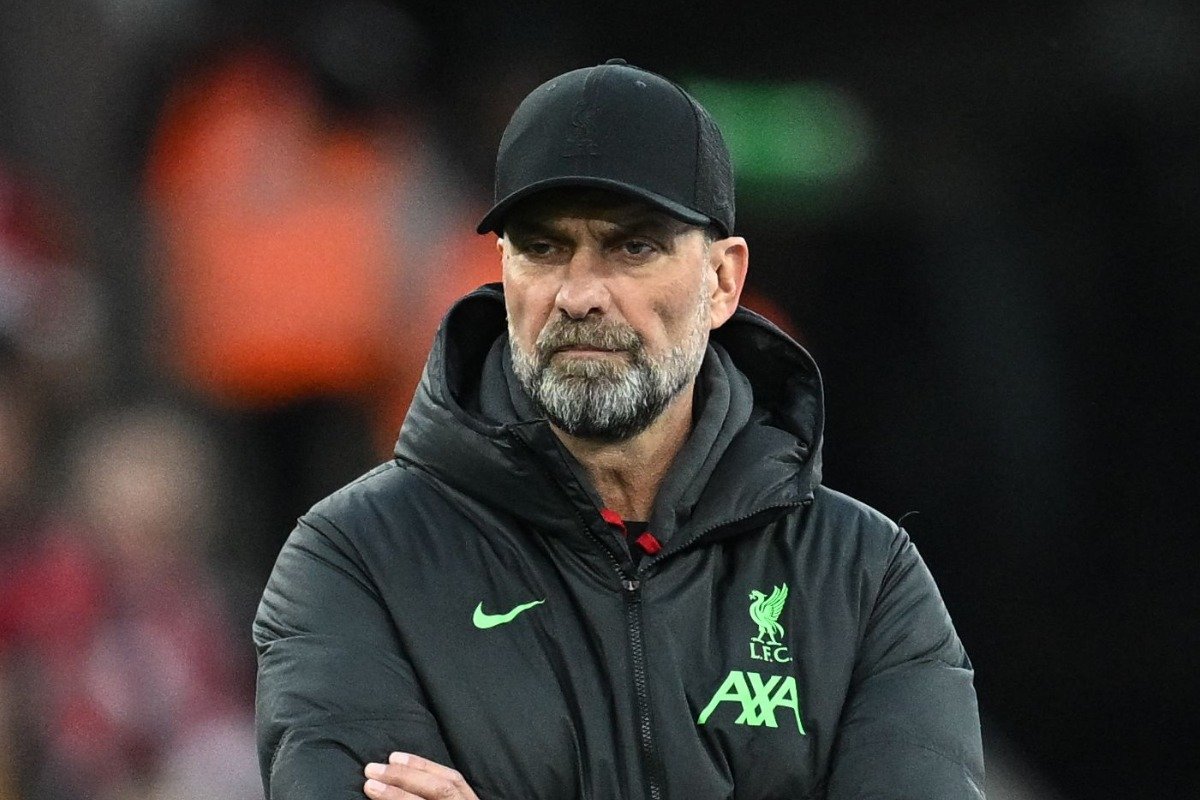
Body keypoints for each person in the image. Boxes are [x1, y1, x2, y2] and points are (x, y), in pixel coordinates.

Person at [254, 59, 985, 800]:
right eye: (542, 248)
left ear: (724, 282)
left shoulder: (862, 579)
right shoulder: (358, 561)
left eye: (632, 248)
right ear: (502, 266)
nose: (578, 294)